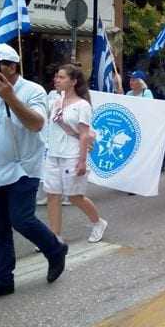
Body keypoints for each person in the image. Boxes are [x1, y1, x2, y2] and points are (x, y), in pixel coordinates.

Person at [0, 44, 68, 299]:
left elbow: (36, 124)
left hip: (23, 168)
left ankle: (55, 249)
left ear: (11, 67)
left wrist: (10, 97)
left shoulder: (33, 91)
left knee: (21, 219)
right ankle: (3, 279)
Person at [44, 64, 107, 243]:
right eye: (57, 77)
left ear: (73, 82)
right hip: (53, 154)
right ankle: (55, 236)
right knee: (52, 195)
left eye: (62, 77)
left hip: (72, 155)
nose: (57, 80)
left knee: (74, 196)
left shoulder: (82, 105)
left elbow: (84, 134)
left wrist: (82, 161)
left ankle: (98, 222)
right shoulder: (55, 101)